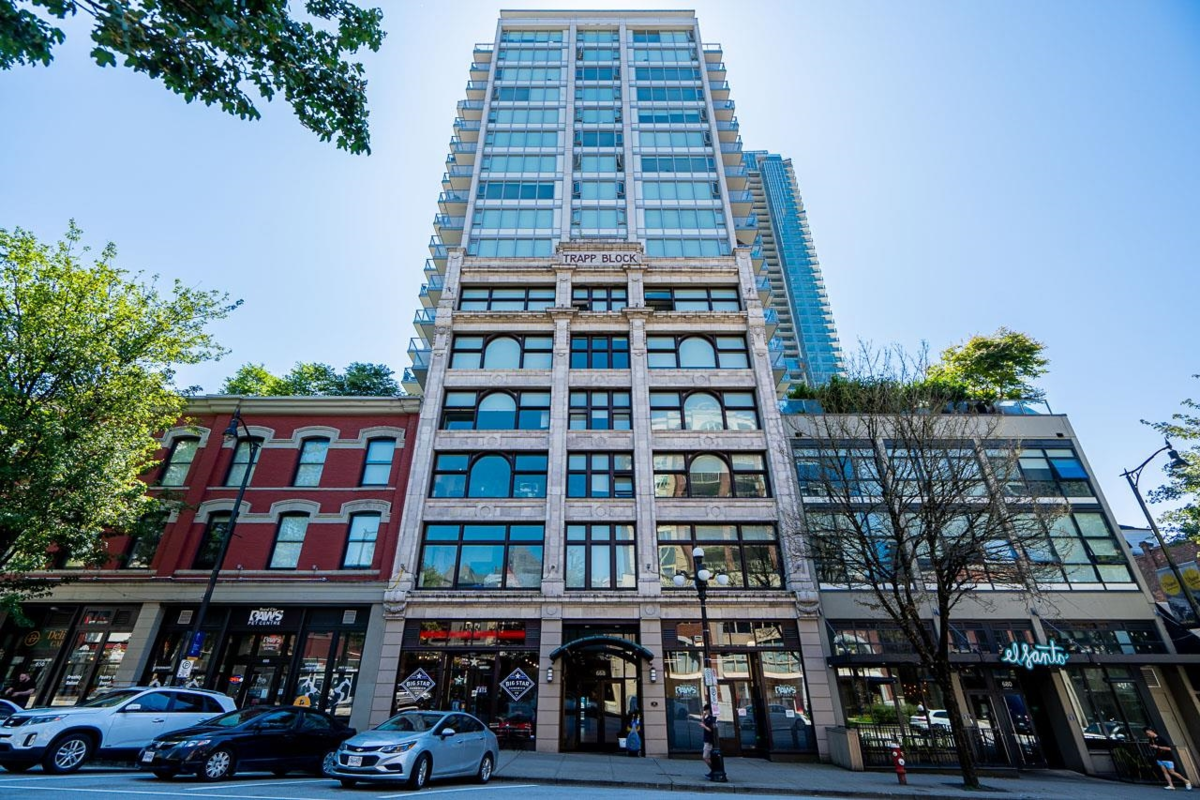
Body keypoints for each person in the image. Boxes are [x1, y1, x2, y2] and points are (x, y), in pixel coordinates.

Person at [1145, 725, 1192, 790]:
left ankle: (1186, 781)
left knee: (1172, 772)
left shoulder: (1161, 738)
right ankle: (1171, 785)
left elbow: (1169, 748)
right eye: (1146, 734)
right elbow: (1152, 746)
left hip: (1167, 757)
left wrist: (1158, 747)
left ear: (1152, 731)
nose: (1147, 735)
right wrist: (1152, 746)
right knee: (1164, 772)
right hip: (1159, 757)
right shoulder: (1151, 740)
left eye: (1148, 733)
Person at [699, 702, 717, 777]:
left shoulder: (712, 718)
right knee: (708, 757)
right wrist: (703, 716)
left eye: (706, 710)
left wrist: (704, 726)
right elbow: (703, 722)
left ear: (709, 710)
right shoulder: (708, 717)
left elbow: (710, 729)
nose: (705, 711)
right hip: (706, 739)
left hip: (709, 740)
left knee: (705, 757)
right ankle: (714, 771)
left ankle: (714, 770)